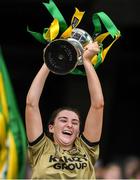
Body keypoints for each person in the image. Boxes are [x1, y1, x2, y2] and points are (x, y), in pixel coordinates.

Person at [25, 41, 104, 179]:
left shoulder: (86, 149)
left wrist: (87, 61)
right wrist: (49, 60)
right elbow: (31, 104)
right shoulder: (41, 148)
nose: (69, 125)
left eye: (75, 122)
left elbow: (98, 105)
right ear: (51, 128)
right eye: (63, 120)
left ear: (79, 131)